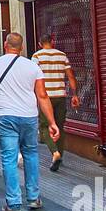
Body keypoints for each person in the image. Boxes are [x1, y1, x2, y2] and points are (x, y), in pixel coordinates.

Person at [0, 33, 59, 211]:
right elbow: (42, 96)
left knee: (9, 158)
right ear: (21, 48)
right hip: (29, 116)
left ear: (5, 45)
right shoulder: (33, 67)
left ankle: (14, 203)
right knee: (31, 154)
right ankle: (33, 197)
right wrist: (52, 122)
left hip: (5, 116)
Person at [31, 32, 80, 173]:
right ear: (52, 41)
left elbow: (33, 76)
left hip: (45, 97)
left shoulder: (37, 56)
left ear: (40, 43)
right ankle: (60, 154)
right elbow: (70, 76)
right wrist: (74, 94)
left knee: (45, 126)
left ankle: (55, 153)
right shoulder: (62, 55)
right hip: (60, 96)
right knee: (59, 125)